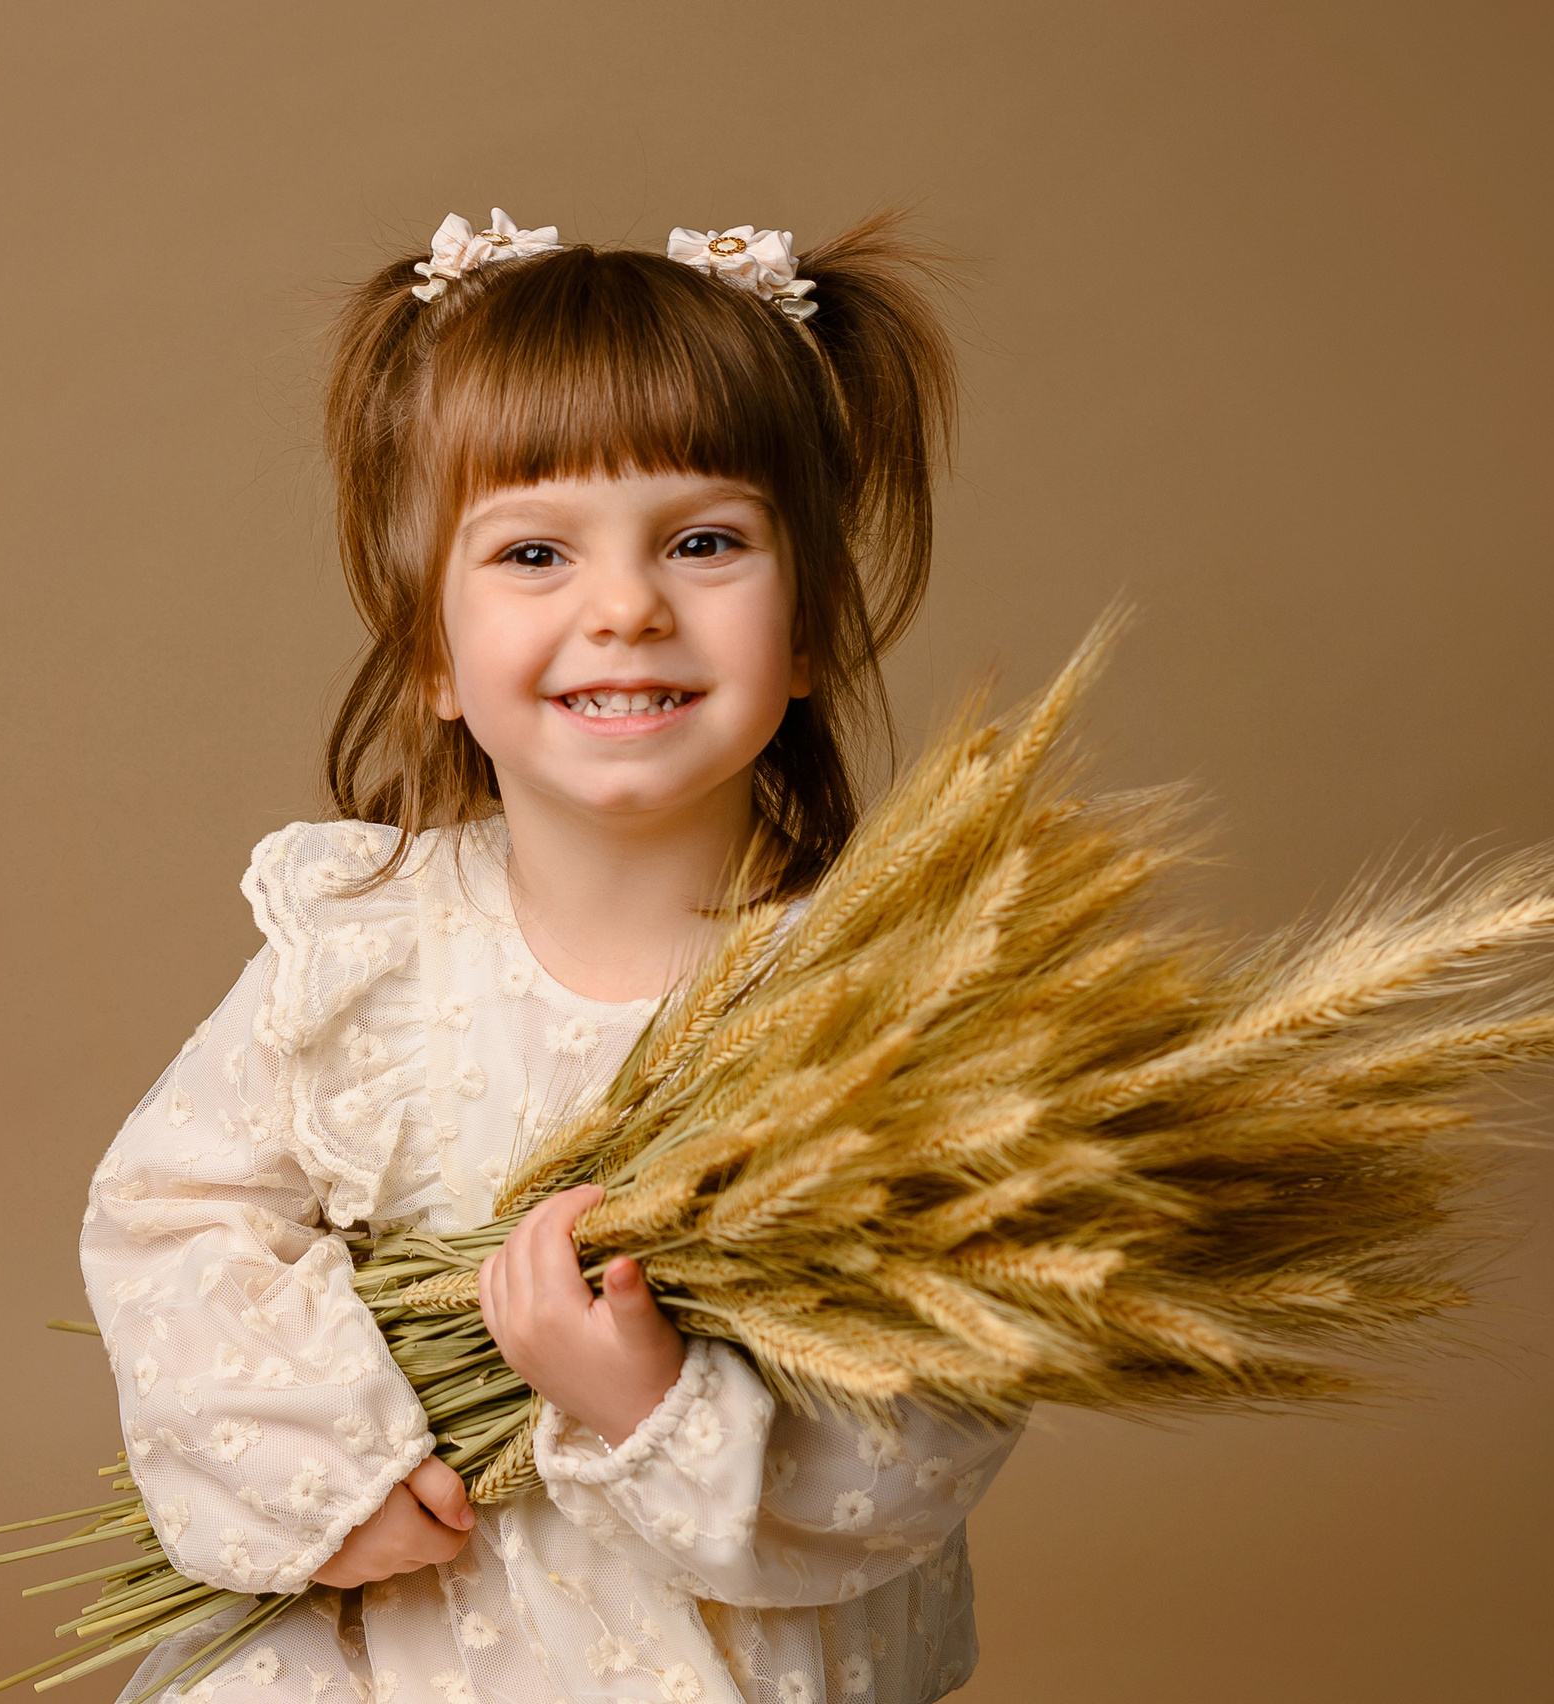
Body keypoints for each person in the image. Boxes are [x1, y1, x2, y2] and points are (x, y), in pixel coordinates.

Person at [82, 208, 1023, 1704]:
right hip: (420, 1659)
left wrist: (653, 1407)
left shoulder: (870, 1011)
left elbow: (943, 1394)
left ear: (810, 632)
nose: (626, 605)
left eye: (705, 543)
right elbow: (172, 1221)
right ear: (435, 655)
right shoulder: (366, 952)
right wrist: (329, 1470)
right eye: (533, 551)